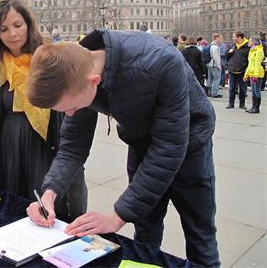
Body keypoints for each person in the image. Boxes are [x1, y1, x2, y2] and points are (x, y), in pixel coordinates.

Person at [26, 30, 219, 267]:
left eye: (71, 108)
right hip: (141, 141)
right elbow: (72, 147)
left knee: (200, 236)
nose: (70, 114)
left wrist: (117, 216)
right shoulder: (77, 71)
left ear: (93, 82)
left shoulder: (161, 60)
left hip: (191, 146)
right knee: (145, 232)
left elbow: (169, 146)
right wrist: (49, 194)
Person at [0, 0, 87, 220]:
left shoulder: (49, 57)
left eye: (17, 25)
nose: (12, 34)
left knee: (47, 203)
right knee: (12, 206)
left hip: (44, 144)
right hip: (7, 143)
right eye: (3, 29)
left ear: (28, 24)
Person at [226, 30, 250, 109]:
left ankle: (242, 104)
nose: (233, 38)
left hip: (242, 71)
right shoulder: (231, 46)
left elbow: (249, 60)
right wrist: (228, 53)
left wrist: (247, 69)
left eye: (234, 37)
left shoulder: (247, 47)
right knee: (232, 88)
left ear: (239, 37)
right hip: (232, 70)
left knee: (243, 89)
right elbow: (227, 58)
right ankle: (231, 103)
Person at [243, 37, 264, 114]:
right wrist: (246, 75)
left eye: (250, 41)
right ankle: (253, 106)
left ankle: (256, 108)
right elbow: (250, 64)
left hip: (257, 74)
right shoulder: (252, 51)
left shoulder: (259, 51)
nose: (248, 42)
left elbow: (257, 64)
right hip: (252, 73)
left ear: (254, 42)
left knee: (256, 91)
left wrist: (256, 75)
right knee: (253, 92)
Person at [206, 33, 223, 98]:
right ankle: (214, 93)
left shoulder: (210, 45)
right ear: (216, 38)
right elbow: (216, 57)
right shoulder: (215, 47)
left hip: (209, 64)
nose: (220, 39)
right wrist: (219, 65)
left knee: (209, 79)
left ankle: (209, 92)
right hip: (214, 65)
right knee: (217, 79)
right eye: (219, 38)